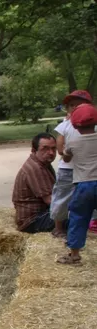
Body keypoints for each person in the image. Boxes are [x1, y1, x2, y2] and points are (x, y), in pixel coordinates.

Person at [56, 104, 97, 265]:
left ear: (75, 124)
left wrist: (67, 153)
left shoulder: (73, 141)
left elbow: (66, 158)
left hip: (84, 184)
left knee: (78, 217)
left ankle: (74, 255)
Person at [50, 90, 93, 238]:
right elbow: (60, 144)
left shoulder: (93, 125)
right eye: (71, 106)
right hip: (68, 168)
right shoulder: (66, 124)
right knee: (62, 197)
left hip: (89, 170)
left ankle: (90, 225)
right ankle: (58, 226)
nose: (74, 108)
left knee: (89, 199)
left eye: (79, 105)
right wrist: (64, 152)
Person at [12, 133, 59, 233]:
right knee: (76, 216)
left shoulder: (43, 163)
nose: (51, 152)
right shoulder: (36, 168)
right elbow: (51, 201)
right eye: (45, 149)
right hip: (33, 221)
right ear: (34, 150)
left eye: (53, 149)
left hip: (40, 214)